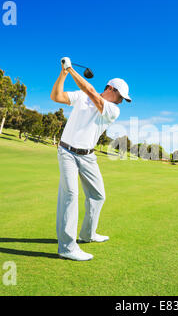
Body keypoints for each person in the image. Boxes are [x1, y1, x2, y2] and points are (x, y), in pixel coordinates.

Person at [50, 57, 131, 261]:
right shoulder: (81, 97)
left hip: (88, 157)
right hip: (67, 152)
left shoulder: (113, 109)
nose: (122, 101)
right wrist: (64, 73)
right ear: (111, 89)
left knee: (98, 195)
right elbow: (56, 96)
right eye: (120, 96)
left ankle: (87, 234)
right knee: (69, 196)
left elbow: (92, 93)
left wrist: (71, 69)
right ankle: (67, 248)